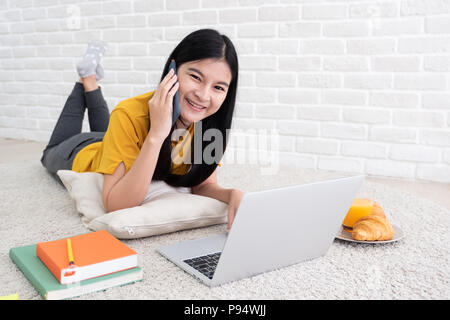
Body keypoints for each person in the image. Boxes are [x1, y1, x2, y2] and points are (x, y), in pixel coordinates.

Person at [41, 29, 244, 230]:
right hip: (80, 151)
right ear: (172, 69)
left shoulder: (208, 125)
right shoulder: (130, 113)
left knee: (109, 129)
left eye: (219, 87)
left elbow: (203, 185)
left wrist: (231, 194)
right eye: (196, 77)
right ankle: (85, 79)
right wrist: (156, 134)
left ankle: (90, 77)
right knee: (50, 151)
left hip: (113, 143)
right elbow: (116, 205)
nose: (203, 95)